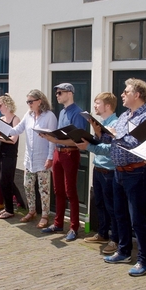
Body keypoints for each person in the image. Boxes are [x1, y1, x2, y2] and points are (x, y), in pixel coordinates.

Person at [100, 78, 146, 277]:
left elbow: (139, 143)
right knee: (120, 214)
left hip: (136, 172)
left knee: (138, 220)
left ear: (137, 94)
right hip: (118, 172)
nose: (122, 94)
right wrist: (103, 132)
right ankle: (123, 251)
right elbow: (112, 139)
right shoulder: (123, 116)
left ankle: (144, 260)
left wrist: (116, 135)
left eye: (126, 91)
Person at [41, 83, 87, 242]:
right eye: (56, 93)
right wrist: (51, 138)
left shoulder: (78, 113)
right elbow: (59, 136)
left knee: (70, 191)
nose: (57, 95)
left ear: (70, 93)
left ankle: (74, 227)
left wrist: (53, 139)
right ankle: (58, 223)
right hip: (58, 154)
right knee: (58, 190)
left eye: (60, 93)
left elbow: (78, 141)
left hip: (70, 154)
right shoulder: (61, 112)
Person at [76, 92, 119, 255]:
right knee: (99, 203)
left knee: (112, 207)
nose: (95, 106)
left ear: (107, 106)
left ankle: (115, 239)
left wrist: (93, 141)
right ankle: (102, 233)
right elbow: (99, 143)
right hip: (98, 168)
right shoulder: (101, 123)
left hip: (109, 170)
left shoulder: (115, 124)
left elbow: (110, 149)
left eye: (97, 103)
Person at [7, 89, 57, 228]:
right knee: (28, 186)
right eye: (27, 101)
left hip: (43, 159)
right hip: (29, 160)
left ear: (39, 101)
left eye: (31, 101)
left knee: (44, 189)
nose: (29, 104)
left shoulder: (49, 116)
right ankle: (32, 211)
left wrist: (50, 157)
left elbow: (53, 139)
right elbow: (17, 129)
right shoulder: (28, 115)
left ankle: (45, 215)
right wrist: (1, 129)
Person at [0, 94, 21, 219]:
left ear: (7, 104)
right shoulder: (1, 119)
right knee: (1, 182)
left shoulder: (15, 120)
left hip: (9, 154)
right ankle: (6, 207)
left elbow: (13, 140)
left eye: (0, 105)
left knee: (6, 181)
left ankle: (10, 209)